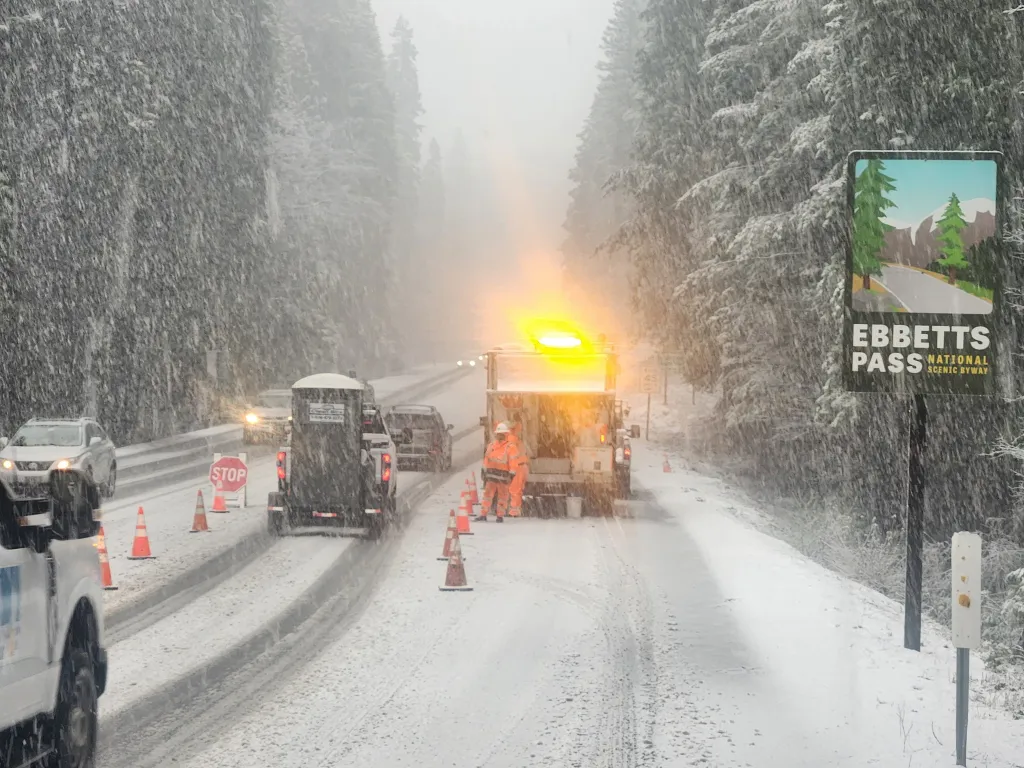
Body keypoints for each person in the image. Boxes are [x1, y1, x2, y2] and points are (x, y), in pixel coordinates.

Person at [477, 422, 518, 522]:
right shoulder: (491, 446)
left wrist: (512, 474)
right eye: (499, 434)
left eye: (502, 434)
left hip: (502, 477)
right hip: (492, 476)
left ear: (506, 435)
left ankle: (500, 516)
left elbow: (513, 462)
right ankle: (484, 514)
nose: (500, 436)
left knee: (502, 497)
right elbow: (486, 459)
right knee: (488, 496)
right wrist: (484, 469)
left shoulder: (510, 447)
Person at [508, 414, 529, 517]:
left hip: (518, 467)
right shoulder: (516, 438)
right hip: (522, 466)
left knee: (515, 490)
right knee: (518, 490)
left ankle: (514, 511)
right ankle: (516, 509)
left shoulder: (512, 439)